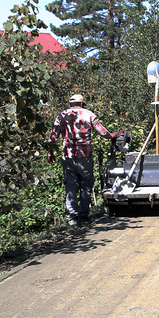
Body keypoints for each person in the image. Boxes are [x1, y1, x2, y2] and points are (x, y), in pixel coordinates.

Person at [47, 94, 116, 225]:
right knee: (86, 185)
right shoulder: (88, 114)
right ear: (82, 104)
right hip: (85, 157)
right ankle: (83, 216)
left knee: (70, 186)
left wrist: (50, 152)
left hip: (69, 157)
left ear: (70, 104)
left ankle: (73, 217)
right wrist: (113, 135)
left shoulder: (61, 116)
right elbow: (103, 132)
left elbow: (53, 137)